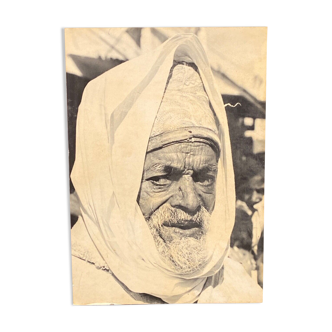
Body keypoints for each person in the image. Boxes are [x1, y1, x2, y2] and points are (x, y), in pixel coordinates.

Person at [69, 33, 263, 305]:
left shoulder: (236, 287)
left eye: (204, 178)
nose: (191, 201)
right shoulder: (81, 286)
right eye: (162, 178)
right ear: (113, 184)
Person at [230, 155, 266, 285]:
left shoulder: (255, 213)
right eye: (258, 191)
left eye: (263, 192)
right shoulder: (234, 212)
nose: (260, 197)